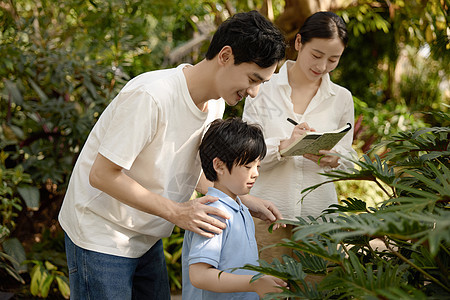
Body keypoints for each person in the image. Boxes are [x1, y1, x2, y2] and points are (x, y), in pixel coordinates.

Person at [58, 10, 286, 299]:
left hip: (147, 234)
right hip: (100, 234)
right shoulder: (152, 95)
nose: (253, 92)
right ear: (225, 56)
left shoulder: (216, 105)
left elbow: (193, 171)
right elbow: (102, 174)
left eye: (261, 83)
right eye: (253, 79)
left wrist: (241, 198)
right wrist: (178, 212)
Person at [243, 11, 357, 262]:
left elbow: (349, 156)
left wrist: (335, 159)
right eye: (316, 55)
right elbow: (246, 152)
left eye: (333, 60)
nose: (322, 66)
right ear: (298, 43)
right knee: (267, 290)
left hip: (320, 216)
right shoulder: (263, 88)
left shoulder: (341, 99)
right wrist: (284, 146)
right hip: (269, 214)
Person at [182, 118, 287, 299]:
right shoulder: (213, 213)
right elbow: (199, 276)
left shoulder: (241, 209)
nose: (255, 173)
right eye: (248, 166)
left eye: (258, 166)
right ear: (219, 165)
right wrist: (255, 283)